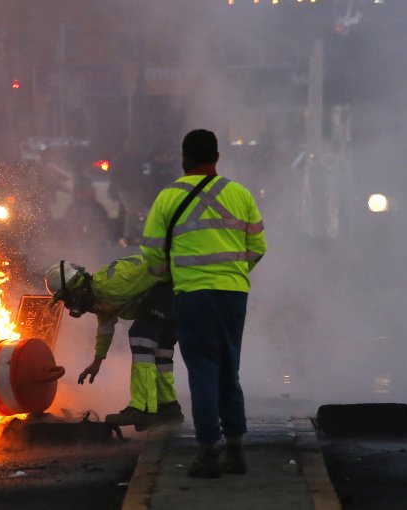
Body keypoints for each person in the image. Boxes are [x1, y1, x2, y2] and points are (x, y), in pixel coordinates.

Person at [140, 129, 266, 478]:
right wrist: (233, 272)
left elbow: (151, 251)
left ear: (184, 157)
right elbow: (257, 247)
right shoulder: (239, 194)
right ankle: (236, 449)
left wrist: (169, 273)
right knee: (229, 369)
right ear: (217, 157)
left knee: (203, 373)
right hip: (233, 296)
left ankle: (209, 453)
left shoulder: (168, 198)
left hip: (193, 296)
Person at [44, 255, 184, 431]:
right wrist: (97, 362)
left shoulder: (111, 286)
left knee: (140, 336)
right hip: (174, 296)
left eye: (66, 298)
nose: (68, 305)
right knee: (161, 352)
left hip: (174, 289)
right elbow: (106, 328)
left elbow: (156, 267)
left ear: (77, 289)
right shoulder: (99, 298)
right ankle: (169, 409)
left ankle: (142, 408)